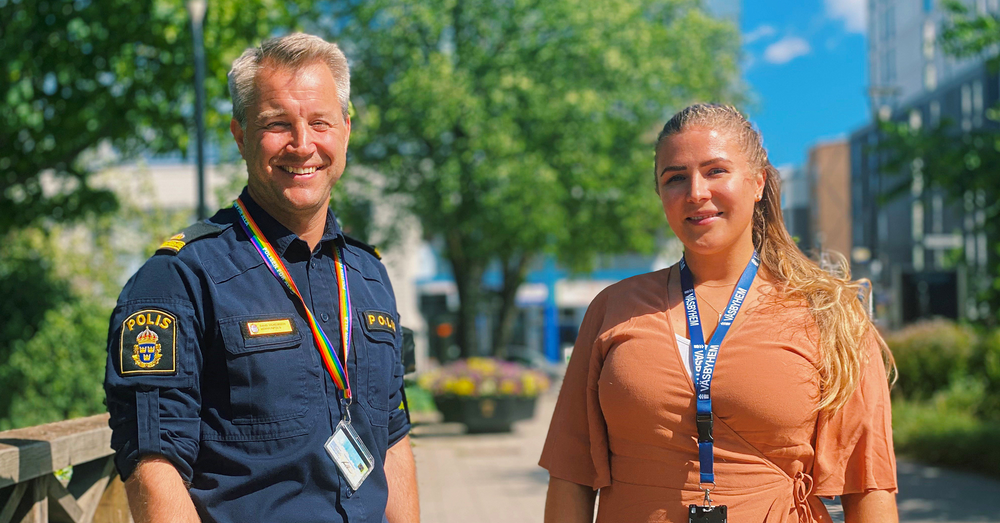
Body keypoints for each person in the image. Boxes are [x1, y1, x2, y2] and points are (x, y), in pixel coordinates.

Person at [104, 33, 419, 523]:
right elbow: (153, 461)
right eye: (277, 124)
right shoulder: (178, 277)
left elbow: (394, 437)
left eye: (320, 123)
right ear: (240, 135)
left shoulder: (369, 274)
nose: (302, 145)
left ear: (346, 131)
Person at [539, 104, 898, 522]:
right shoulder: (614, 309)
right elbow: (571, 473)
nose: (695, 192)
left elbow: (868, 483)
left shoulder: (828, 312)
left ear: (758, 181)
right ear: (660, 194)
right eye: (675, 178)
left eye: (715, 171)